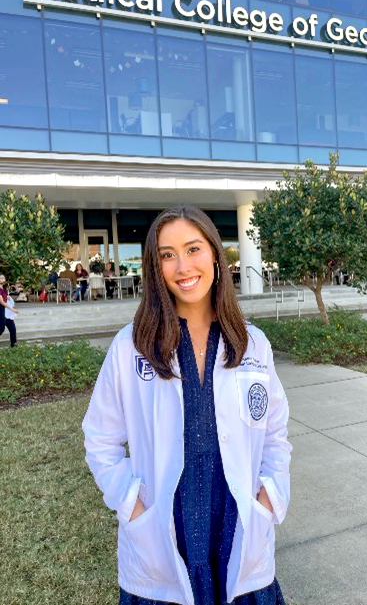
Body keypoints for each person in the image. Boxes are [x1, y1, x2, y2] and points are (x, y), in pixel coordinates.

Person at [82, 205, 292, 605]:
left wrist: (268, 499)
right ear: (154, 265)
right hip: (162, 535)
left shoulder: (252, 343)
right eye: (167, 254)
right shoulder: (131, 346)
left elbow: (276, 435)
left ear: (215, 253)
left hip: (240, 530)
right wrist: (133, 507)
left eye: (193, 249)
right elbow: (100, 440)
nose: (182, 266)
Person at [0, 274, 18, 345]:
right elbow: (1, 301)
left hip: (5, 311)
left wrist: (8, 297)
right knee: (1, 328)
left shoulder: (4, 288)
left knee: (12, 327)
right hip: (1, 309)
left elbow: (5, 298)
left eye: (3, 278)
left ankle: (13, 344)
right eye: (1, 278)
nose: (3, 279)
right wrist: (12, 309)